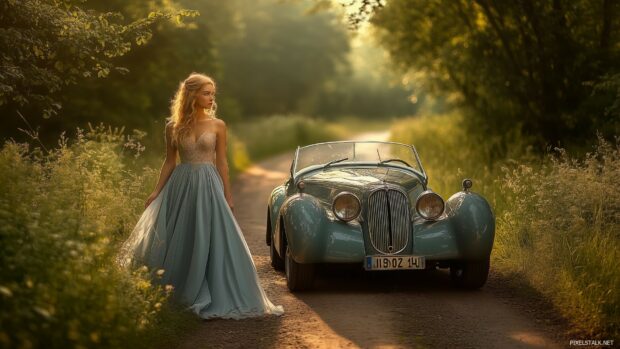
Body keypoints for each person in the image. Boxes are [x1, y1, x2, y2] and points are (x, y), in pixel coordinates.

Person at [119, 73, 284, 319]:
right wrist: (156, 191)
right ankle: (176, 290)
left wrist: (228, 195)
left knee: (212, 235)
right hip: (181, 185)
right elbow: (169, 162)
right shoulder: (172, 127)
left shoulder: (218, 125)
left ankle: (217, 290)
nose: (211, 98)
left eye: (212, 94)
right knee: (183, 236)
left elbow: (222, 164)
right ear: (192, 95)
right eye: (206, 93)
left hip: (208, 185)